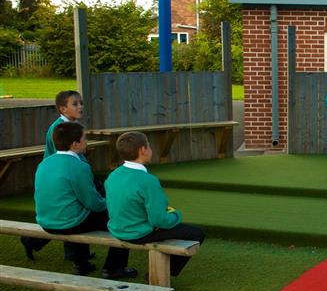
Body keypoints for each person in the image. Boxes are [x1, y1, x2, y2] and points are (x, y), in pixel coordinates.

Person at [28, 122, 134, 278]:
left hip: (45, 222)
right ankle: (113, 268)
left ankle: (81, 264)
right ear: (75, 144)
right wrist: (112, 204)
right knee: (124, 220)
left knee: (77, 210)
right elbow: (94, 204)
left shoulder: (44, 163)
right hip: (69, 223)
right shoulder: (79, 166)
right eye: (85, 139)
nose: (87, 142)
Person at [105, 131, 204, 278]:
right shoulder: (148, 181)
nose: (151, 150)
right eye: (149, 146)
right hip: (139, 233)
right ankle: (157, 273)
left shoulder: (114, 174)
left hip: (117, 228)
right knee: (197, 234)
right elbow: (159, 220)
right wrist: (176, 215)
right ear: (143, 150)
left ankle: (112, 268)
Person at [44, 90, 84, 158]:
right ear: (63, 109)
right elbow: (60, 155)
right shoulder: (58, 128)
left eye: (81, 103)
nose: (80, 106)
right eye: (75, 104)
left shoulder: (75, 125)